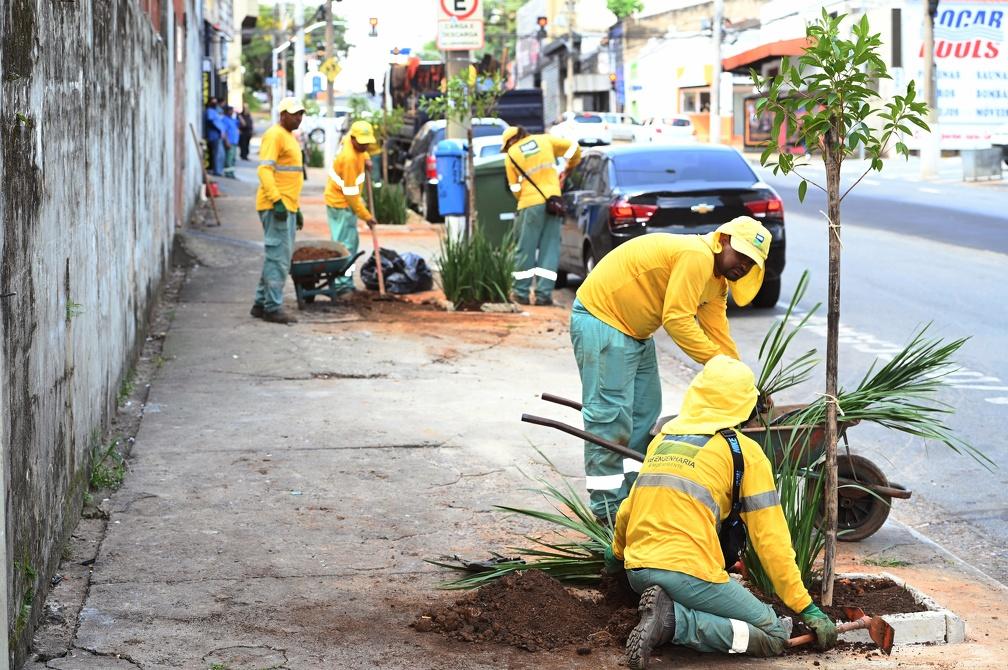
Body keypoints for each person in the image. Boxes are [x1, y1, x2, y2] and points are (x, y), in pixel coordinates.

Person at [607, 355, 838, 668]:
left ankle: (665, 607)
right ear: (743, 405)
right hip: (687, 573)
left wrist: (616, 556)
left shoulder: (663, 440)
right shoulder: (744, 452)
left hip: (638, 571)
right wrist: (805, 606)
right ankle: (672, 623)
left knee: (697, 591)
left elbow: (627, 510)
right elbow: (771, 542)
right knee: (772, 634)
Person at [570, 216, 772, 522]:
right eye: (741, 255)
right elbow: (677, 319)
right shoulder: (697, 256)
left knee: (644, 416)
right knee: (610, 418)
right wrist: (719, 366)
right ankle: (607, 513)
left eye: (751, 263)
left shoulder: (717, 283)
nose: (743, 265)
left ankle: (631, 502)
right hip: (603, 321)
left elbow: (718, 334)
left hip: (636, 332)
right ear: (724, 240)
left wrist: (742, 382)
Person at [502, 125, 581, 306]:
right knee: (550, 248)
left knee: (525, 248)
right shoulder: (545, 140)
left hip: (529, 204)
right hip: (553, 203)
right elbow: (574, 148)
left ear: (511, 141)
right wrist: (568, 168)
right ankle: (543, 295)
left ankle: (521, 292)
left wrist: (525, 198)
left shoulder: (512, 155)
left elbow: (514, 188)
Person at [250, 97, 305, 324]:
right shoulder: (274, 135)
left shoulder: (288, 137)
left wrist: (296, 207)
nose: (299, 117)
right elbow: (265, 171)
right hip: (276, 207)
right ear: (282, 115)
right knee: (279, 260)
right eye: (294, 114)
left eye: (301, 113)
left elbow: (288, 176)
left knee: (276, 257)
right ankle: (272, 308)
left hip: (286, 205)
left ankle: (260, 303)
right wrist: (277, 201)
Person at [323, 120, 379, 296]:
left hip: (341, 202)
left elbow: (361, 150)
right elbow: (352, 196)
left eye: (367, 143)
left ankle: (344, 281)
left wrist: (367, 159)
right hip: (342, 204)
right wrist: (367, 216)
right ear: (354, 139)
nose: (365, 147)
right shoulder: (349, 159)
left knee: (349, 244)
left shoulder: (350, 139)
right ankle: (342, 284)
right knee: (346, 246)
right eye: (361, 144)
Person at [204, 98, 226, 176]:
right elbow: (210, 122)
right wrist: (219, 130)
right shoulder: (209, 111)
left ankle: (219, 170)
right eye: (213, 102)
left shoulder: (215, 111)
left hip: (219, 136)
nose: (215, 103)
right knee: (217, 154)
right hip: (214, 136)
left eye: (215, 102)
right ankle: (216, 171)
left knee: (221, 154)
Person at [221, 105, 240, 178]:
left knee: (233, 159)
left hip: (235, 142)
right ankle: (228, 174)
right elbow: (224, 132)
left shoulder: (233, 120)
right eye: (231, 110)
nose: (232, 112)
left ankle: (231, 173)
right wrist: (227, 141)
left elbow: (243, 124)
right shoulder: (224, 120)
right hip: (229, 142)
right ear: (227, 111)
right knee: (229, 159)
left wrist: (239, 115)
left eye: (232, 111)